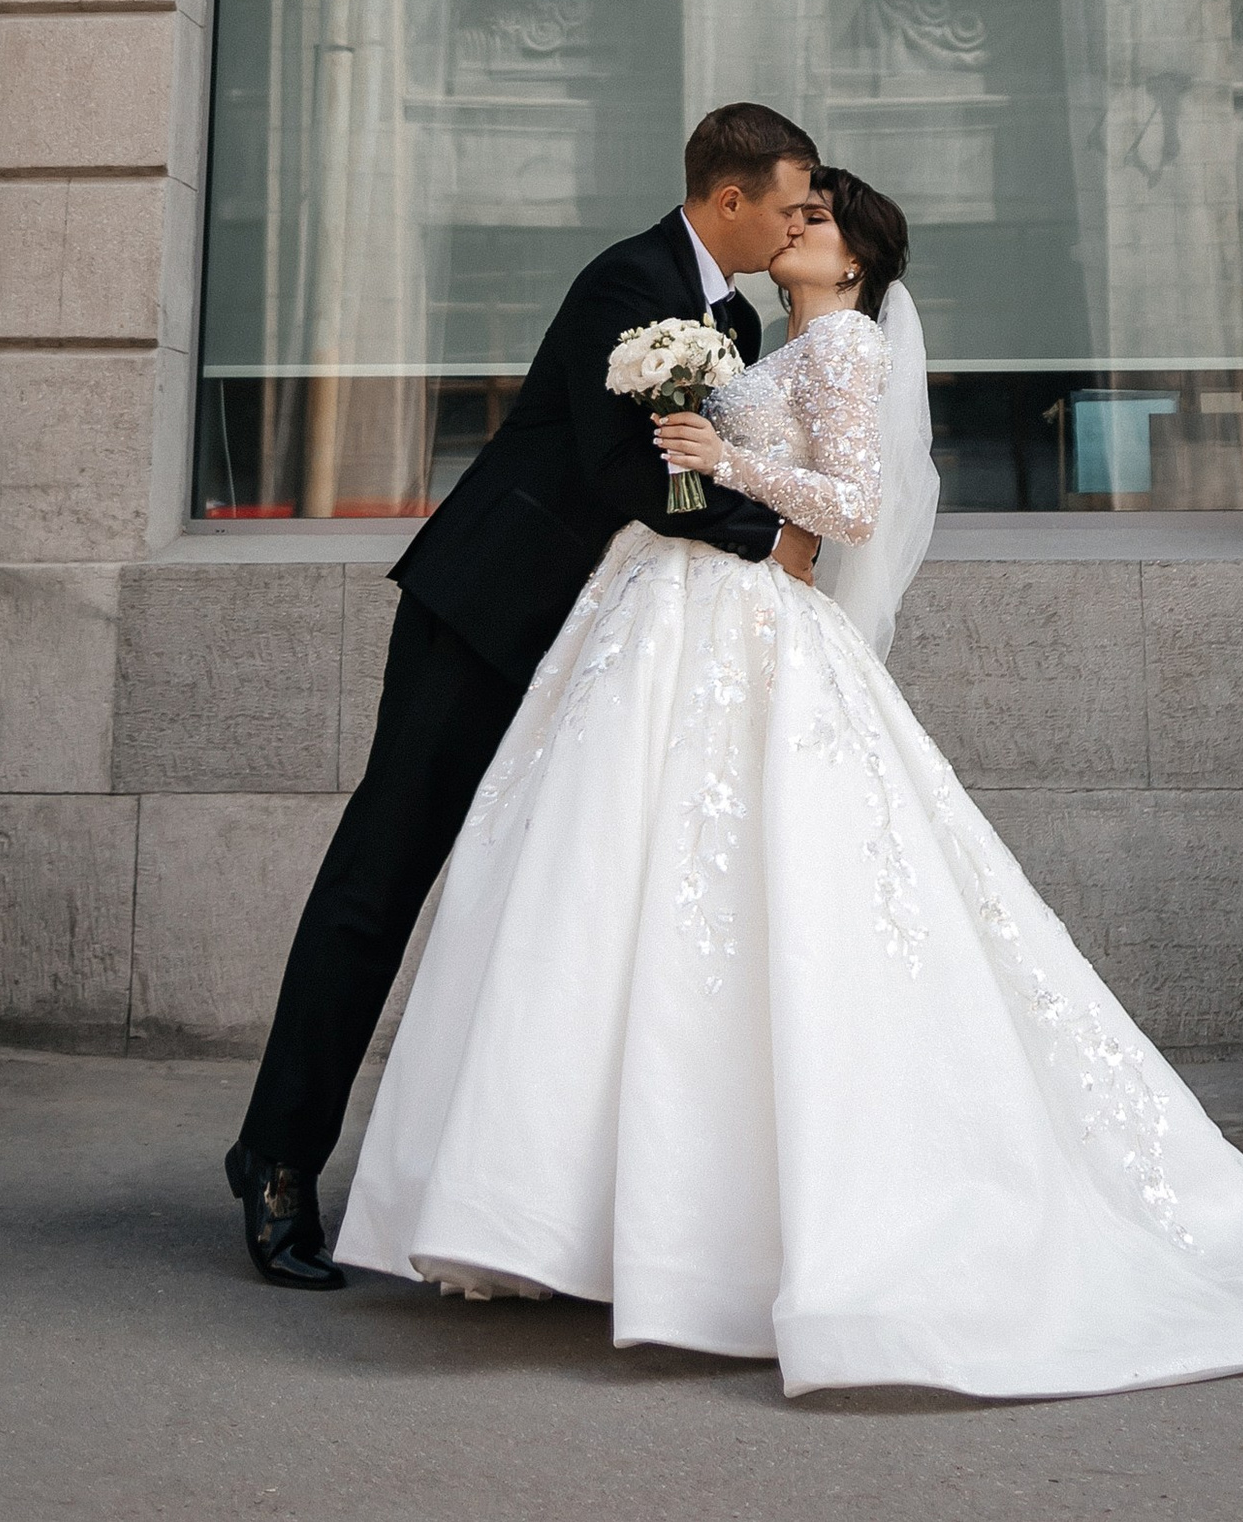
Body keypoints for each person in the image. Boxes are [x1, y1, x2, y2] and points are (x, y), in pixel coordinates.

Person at [331, 162, 1243, 1397]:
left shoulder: (844, 344)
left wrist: (723, 459)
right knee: (657, 915)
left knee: (746, 915)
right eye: (798, 204)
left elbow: (847, 503)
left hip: (757, 638)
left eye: (824, 213)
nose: (800, 220)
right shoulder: (760, 337)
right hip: (694, 631)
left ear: (860, 253)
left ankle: (698, 1223)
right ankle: (622, 1213)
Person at [224, 98, 820, 1286]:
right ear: (731, 197)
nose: (805, 219)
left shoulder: (732, 311)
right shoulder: (629, 282)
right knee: (378, 880)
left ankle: (516, 1196)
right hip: (488, 614)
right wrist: (774, 529)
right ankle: (277, 1162)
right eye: (792, 200)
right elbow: (625, 470)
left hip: (596, 647)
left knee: (554, 909)